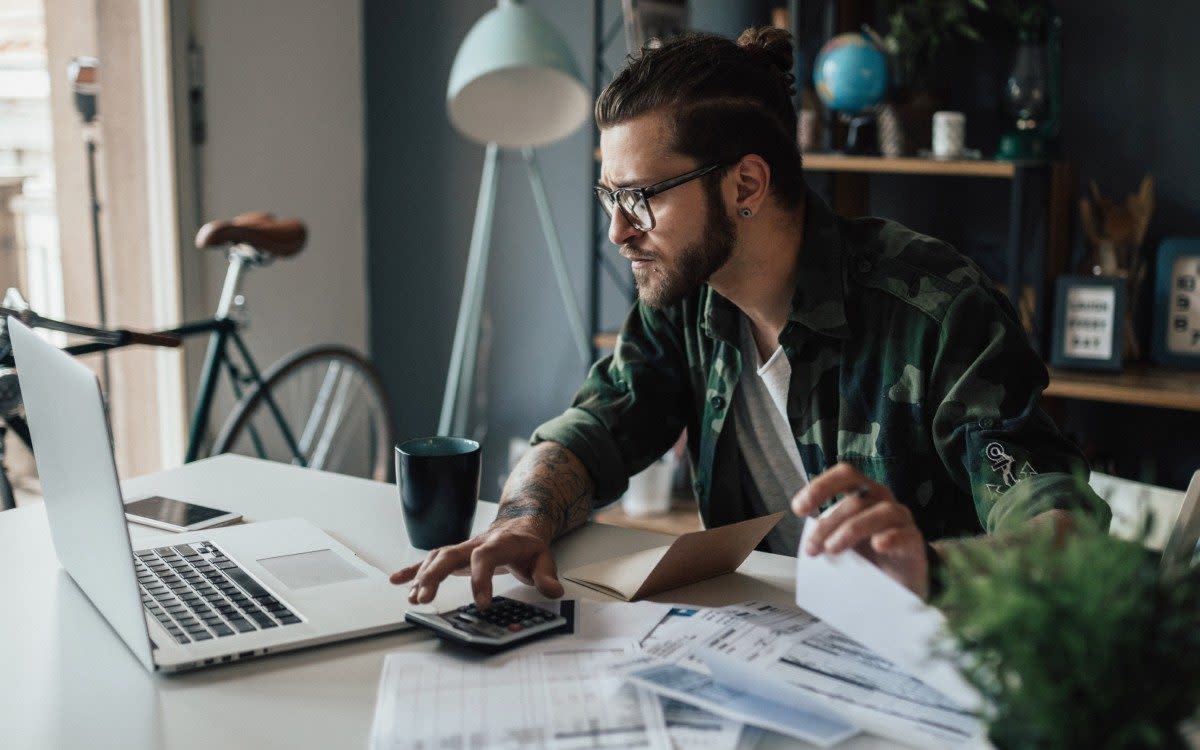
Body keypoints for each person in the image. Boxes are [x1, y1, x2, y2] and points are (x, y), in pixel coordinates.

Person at [392, 27, 1109, 608]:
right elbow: (598, 428)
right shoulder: (686, 297)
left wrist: (933, 569)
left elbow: (1065, 531)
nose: (618, 231)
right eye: (608, 196)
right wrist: (523, 520)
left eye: (640, 198)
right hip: (766, 648)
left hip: (937, 665)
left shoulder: (937, 310)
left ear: (747, 184)